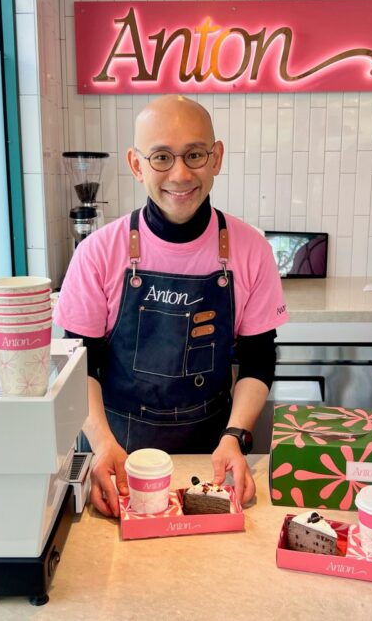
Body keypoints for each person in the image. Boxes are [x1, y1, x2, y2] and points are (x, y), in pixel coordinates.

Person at [54, 95, 288, 517]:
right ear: (136, 163)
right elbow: (79, 365)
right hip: (117, 453)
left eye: (195, 154)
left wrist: (235, 436)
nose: (180, 174)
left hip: (211, 456)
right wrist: (103, 444)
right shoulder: (97, 253)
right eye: (161, 157)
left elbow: (258, 358)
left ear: (216, 157)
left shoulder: (250, 250)